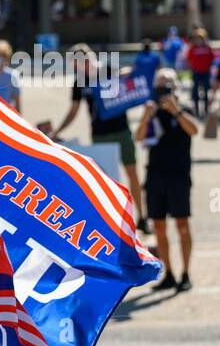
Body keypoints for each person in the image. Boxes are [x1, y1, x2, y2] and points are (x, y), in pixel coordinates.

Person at [52, 45, 149, 235]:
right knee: (107, 181)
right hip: (99, 134)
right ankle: (113, 224)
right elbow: (74, 110)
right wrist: (57, 131)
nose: (82, 65)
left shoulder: (109, 71)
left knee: (132, 173)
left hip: (121, 130)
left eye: (84, 60)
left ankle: (142, 217)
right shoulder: (79, 82)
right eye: (77, 63)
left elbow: (129, 81)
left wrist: (130, 73)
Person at [134, 69, 198, 292]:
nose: (163, 91)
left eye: (168, 86)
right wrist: (146, 117)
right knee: (159, 227)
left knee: (182, 225)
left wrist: (176, 111)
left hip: (179, 177)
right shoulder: (153, 113)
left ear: (176, 88)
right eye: (160, 86)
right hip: (155, 176)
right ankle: (168, 272)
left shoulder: (184, 109)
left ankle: (186, 273)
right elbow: (139, 137)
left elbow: (194, 129)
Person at [184, 27, 215, 117]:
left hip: (206, 72)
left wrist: (209, 67)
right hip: (196, 72)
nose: (199, 40)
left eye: (200, 38)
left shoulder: (207, 47)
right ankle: (196, 110)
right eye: (197, 38)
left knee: (205, 91)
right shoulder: (192, 48)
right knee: (195, 91)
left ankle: (205, 110)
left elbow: (212, 58)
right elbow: (188, 59)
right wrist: (192, 68)